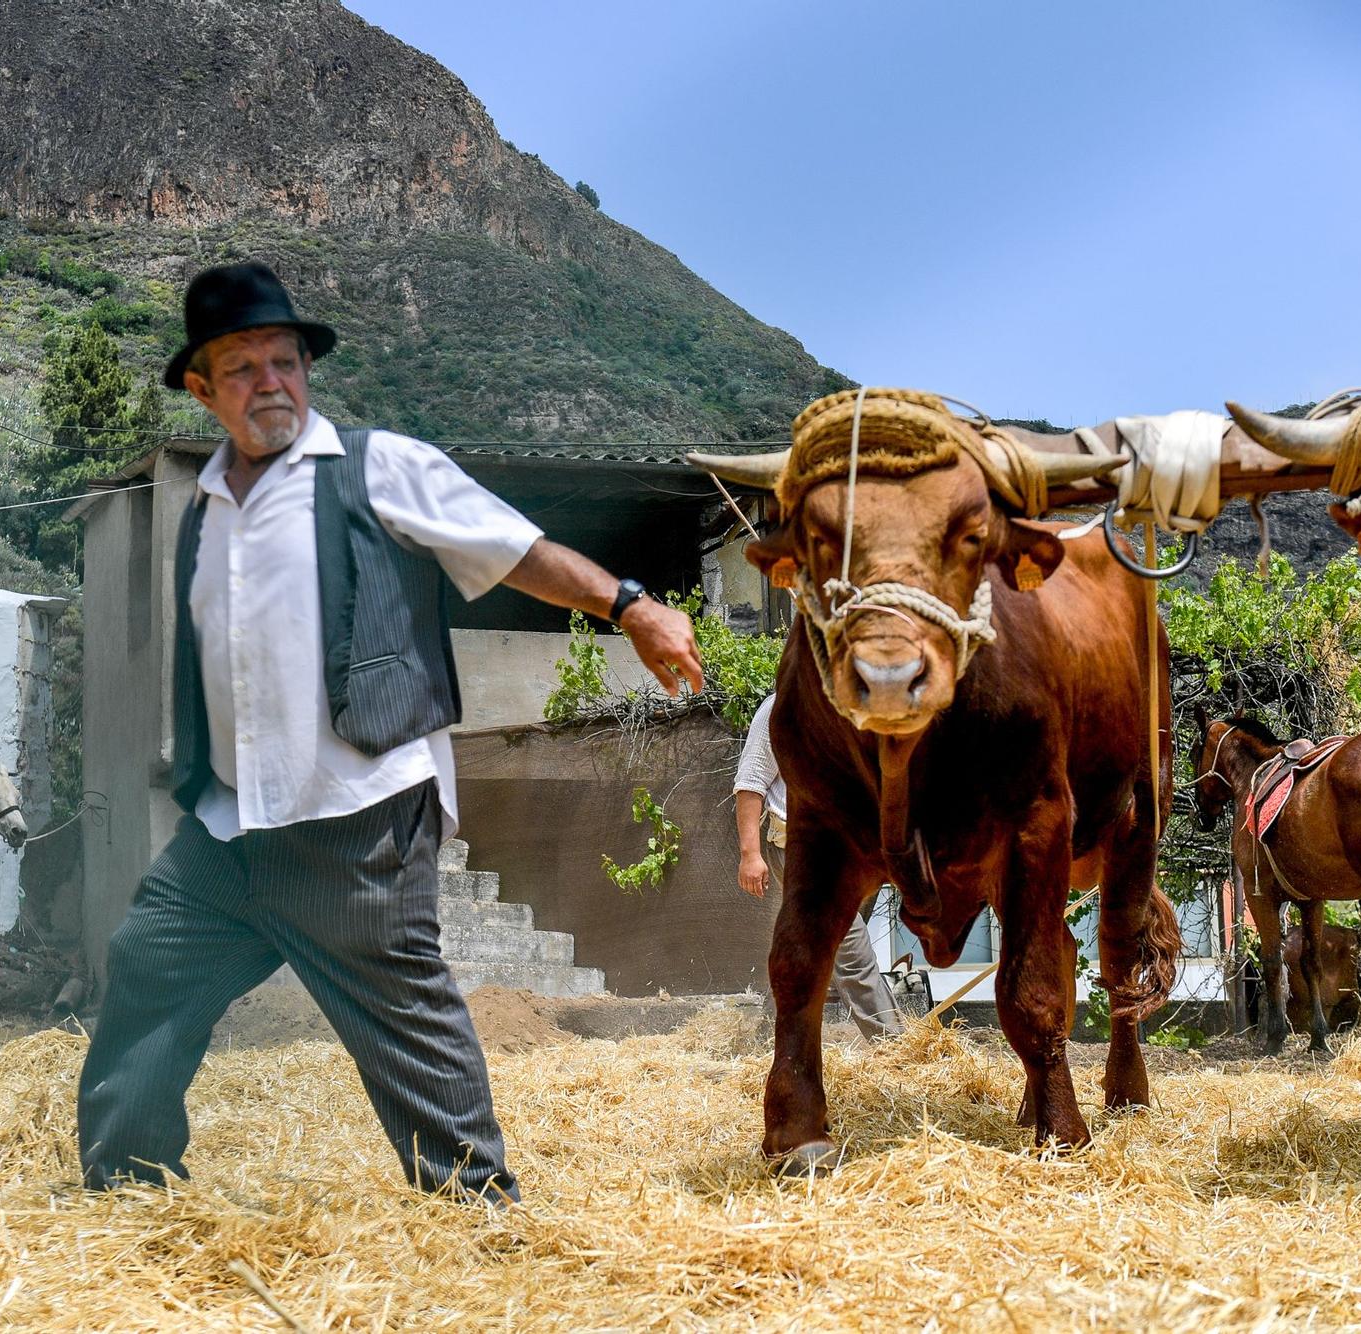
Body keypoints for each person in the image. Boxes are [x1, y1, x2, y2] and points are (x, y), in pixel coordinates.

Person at [75, 262, 704, 1202]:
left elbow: (516, 551)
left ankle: (478, 1217)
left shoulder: (378, 468)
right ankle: (125, 1187)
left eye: (283, 361)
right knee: (144, 971)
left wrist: (628, 603)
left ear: (307, 370)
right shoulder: (202, 515)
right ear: (202, 391)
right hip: (228, 833)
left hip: (357, 818)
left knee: (407, 1028)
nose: (270, 383)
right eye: (241, 368)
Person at [733, 694, 903, 1040]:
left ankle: (774, 1032)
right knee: (851, 948)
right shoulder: (781, 708)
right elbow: (750, 783)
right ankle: (893, 1044)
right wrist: (750, 854)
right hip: (798, 848)